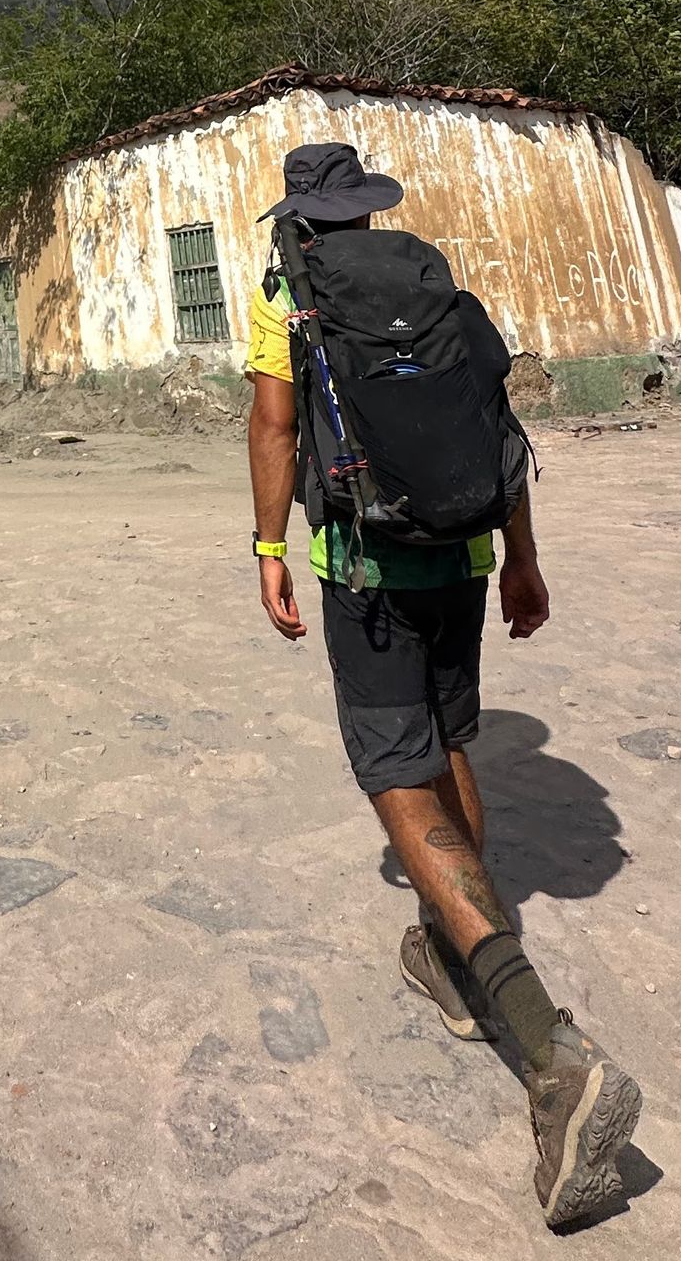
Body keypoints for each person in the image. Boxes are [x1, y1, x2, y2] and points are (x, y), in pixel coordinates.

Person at [244, 143, 641, 1230]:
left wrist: (267, 549)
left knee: (394, 773)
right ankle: (452, 951)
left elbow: (274, 424)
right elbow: (496, 425)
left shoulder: (286, 294)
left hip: (364, 569)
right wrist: (521, 556)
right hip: (462, 554)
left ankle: (550, 1051)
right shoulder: (428, 283)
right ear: (368, 212)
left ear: (299, 218)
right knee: (450, 738)